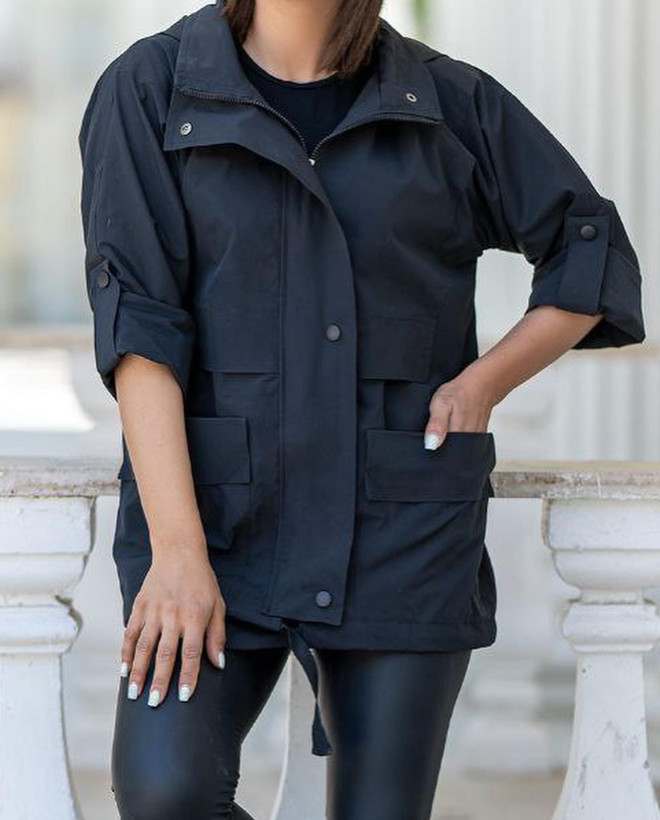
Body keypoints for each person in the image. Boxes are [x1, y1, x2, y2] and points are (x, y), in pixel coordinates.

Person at [77, 0, 645, 817]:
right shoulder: (150, 89)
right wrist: (176, 553)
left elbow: (589, 246)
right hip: (213, 521)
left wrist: (483, 382)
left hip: (401, 527)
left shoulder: (450, 102)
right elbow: (140, 332)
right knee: (166, 793)